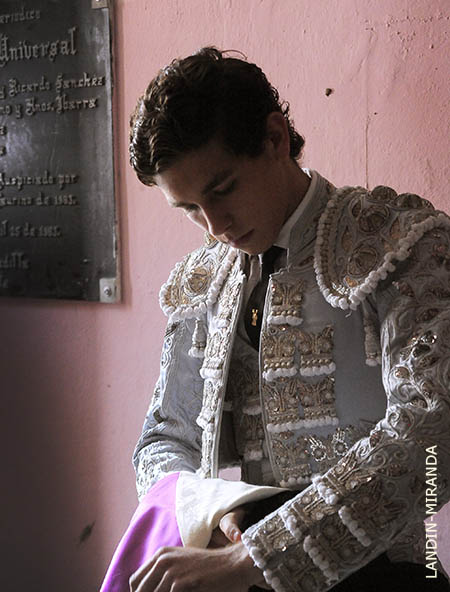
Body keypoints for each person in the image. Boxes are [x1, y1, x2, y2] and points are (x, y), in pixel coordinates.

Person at [103, 47, 450, 592]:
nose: (215, 225)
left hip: (388, 575)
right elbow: (166, 439)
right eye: (189, 208)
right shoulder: (205, 280)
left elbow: (433, 427)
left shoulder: (399, 241)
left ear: (275, 138)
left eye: (223, 189)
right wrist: (207, 510)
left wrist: (258, 556)